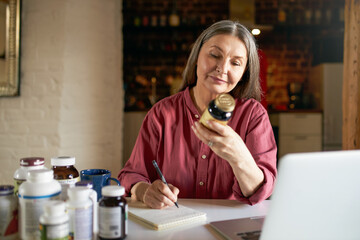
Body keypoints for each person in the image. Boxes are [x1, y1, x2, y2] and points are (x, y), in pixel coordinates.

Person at [118, 20, 277, 209]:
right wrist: (144, 191)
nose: (222, 68)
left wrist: (238, 156)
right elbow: (130, 175)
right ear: (197, 56)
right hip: (172, 225)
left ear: (244, 73)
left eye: (235, 63)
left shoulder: (253, 116)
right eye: (214, 55)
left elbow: (261, 192)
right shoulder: (162, 113)